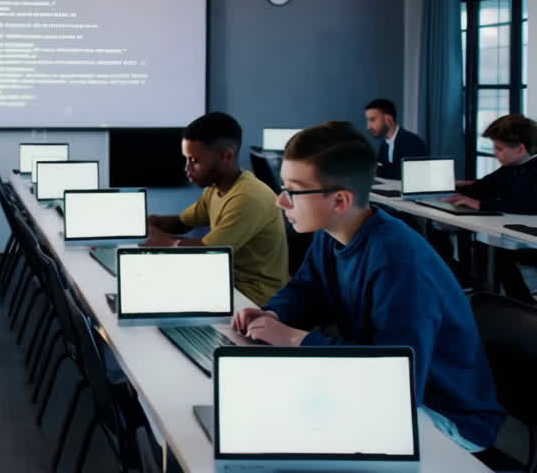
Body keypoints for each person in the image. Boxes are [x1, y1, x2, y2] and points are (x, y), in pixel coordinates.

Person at [234, 122, 505, 452]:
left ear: (339, 200)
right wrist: (272, 314)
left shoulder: (399, 263)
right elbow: (307, 290)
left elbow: (394, 380)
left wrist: (295, 338)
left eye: (293, 190)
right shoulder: (332, 231)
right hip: (381, 387)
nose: (281, 202)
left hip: (443, 416)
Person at [145, 112, 288, 307]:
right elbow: (181, 222)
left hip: (253, 299)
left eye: (194, 161)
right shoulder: (215, 188)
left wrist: (167, 242)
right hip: (223, 282)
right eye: (187, 159)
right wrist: (146, 222)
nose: (187, 168)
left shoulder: (248, 197)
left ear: (225, 157)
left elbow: (210, 251)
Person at [446, 114, 537, 303]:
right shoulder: (512, 167)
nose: (495, 152)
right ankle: (491, 294)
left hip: (530, 237)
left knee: (496, 253)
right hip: (515, 231)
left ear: (520, 149)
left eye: (499, 148)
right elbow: (484, 187)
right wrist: (449, 186)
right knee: (487, 247)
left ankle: (521, 304)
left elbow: (526, 203)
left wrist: (480, 204)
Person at [364, 98, 428, 180]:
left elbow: (407, 178)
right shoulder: (384, 145)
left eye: (372, 120)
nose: (368, 127)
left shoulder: (412, 143)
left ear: (388, 119)